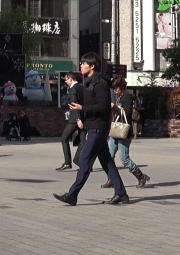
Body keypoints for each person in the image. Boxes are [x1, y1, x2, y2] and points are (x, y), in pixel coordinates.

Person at [54, 53, 129, 206]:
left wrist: (82, 108)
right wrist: (86, 126)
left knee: (84, 159)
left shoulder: (100, 84)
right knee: (106, 161)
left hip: (99, 127)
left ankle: (72, 194)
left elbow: (103, 107)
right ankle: (121, 194)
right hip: (93, 127)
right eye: (81, 63)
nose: (81, 65)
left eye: (84, 63)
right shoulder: (88, 82)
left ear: (92, 66)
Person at [102, 78, 150, 189]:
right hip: (115, 130)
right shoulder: (119, 97)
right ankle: (111, 179)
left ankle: (141, 176)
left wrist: (114, 107)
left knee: (124, 158)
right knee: (109, 155)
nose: (115, 90)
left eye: (116, 88)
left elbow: (127, 114)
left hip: (124, 132)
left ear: (121, 87)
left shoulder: (127, 97)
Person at [58, 71, 83, 170]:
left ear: (71, 79)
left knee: (64, 138)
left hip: (75, 119)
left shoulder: (73, 89)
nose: (66, 81)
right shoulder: (81, 87)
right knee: (83, 141)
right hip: (83, 117)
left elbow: (74, 104)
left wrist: (78, 119)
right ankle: (81, 162)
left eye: (66, 80)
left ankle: (68, 162)